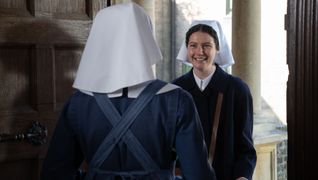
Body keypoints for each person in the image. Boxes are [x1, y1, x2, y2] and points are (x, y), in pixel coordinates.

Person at [41, 3, 216, 180]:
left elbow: (54, 175)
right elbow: (199, 176)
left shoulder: (78, 103)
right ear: (146, 37)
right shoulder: (177, 100)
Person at [173, 20, 257, 180]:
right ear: (187, 48)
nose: (199, 51)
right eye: (193, 45)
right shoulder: (176, 89)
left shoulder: (237, 90)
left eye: (206, 45)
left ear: (217, 49)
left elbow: (245, 146)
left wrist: (242, 176)